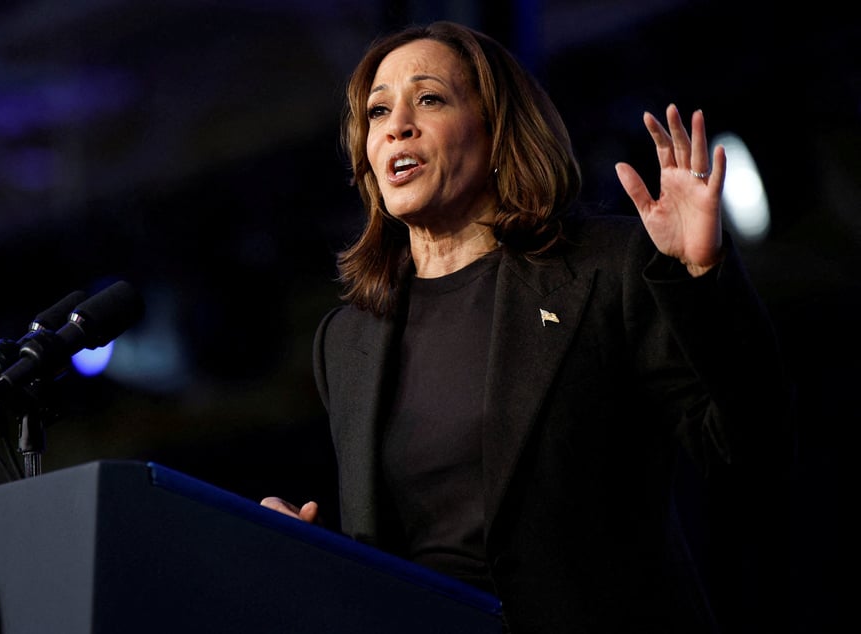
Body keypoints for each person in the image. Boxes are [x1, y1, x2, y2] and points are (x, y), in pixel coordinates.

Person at [261, 20, 794, 634]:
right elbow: (396, 550)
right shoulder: (347, 339)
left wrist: (705, 276)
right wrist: (308, 550)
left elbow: (750, 454)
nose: (395, 126)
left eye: (429, 99)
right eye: (378, 112)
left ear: (496, 128)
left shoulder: (605, 268)